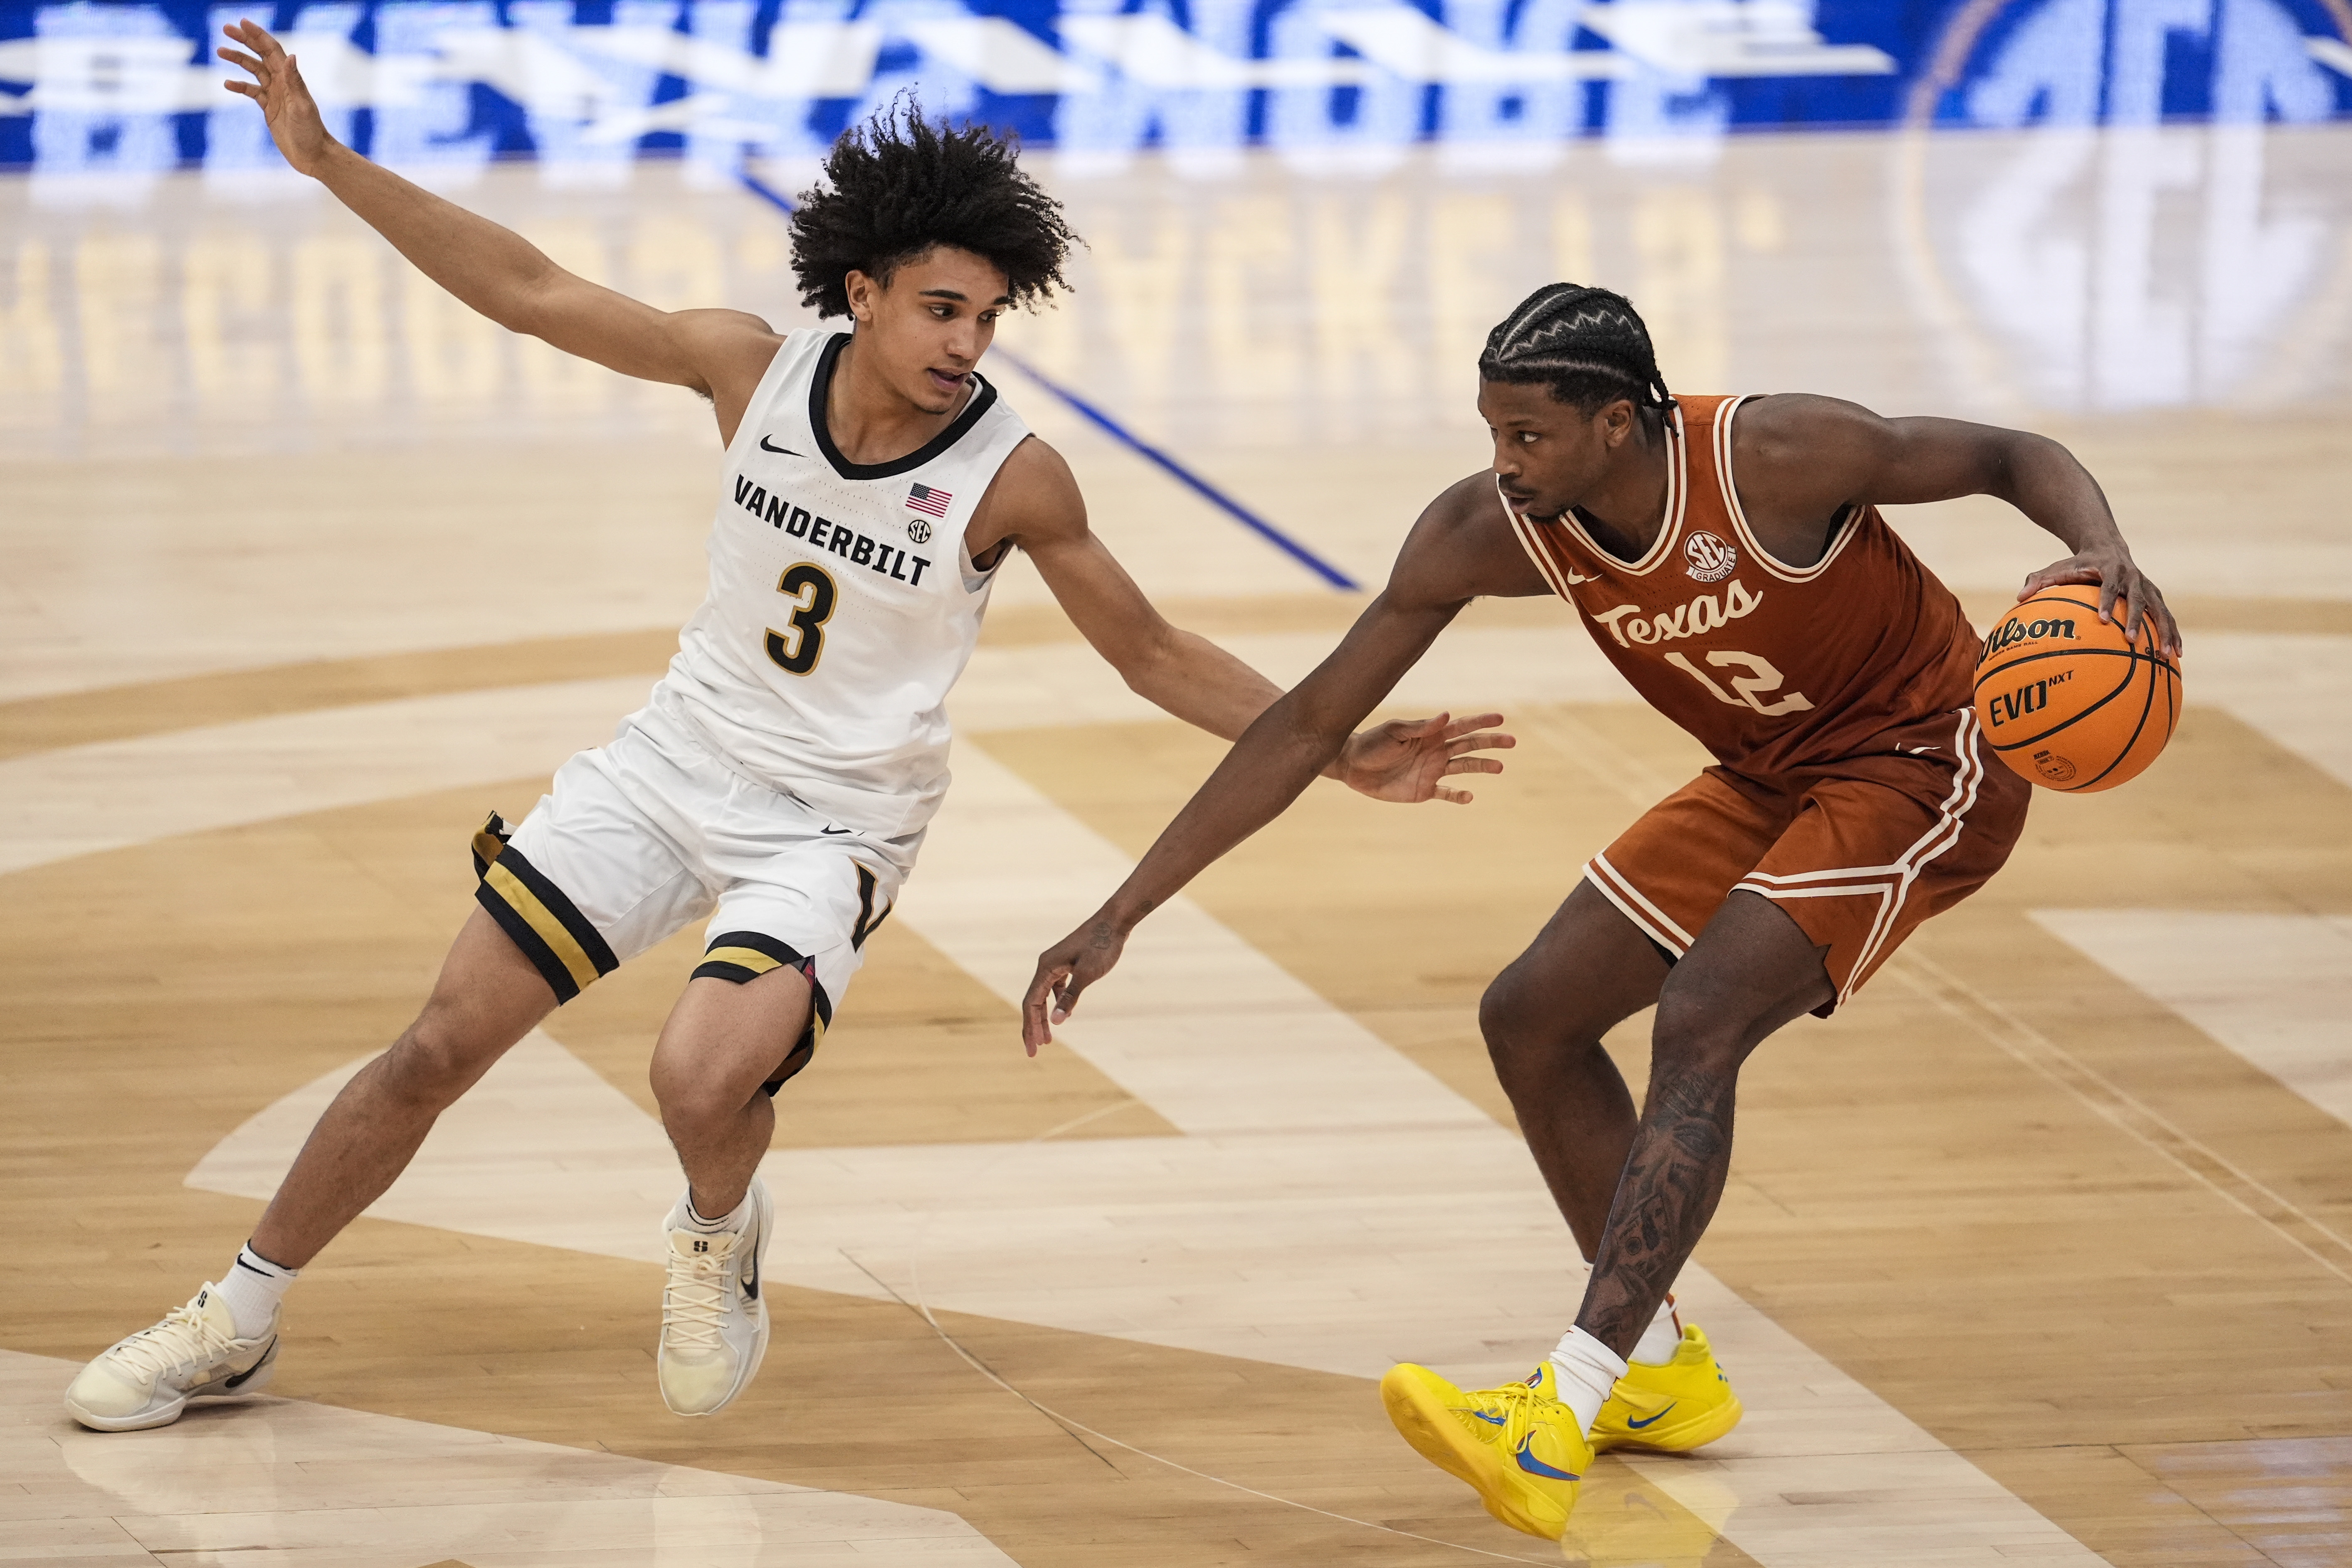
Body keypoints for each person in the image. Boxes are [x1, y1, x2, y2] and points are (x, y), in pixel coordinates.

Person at [63, 20, 1513, 1435]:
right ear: (863, 292)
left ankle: (717, 1226)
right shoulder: (747, 368)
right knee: (438, 1046)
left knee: (697, 1078)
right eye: (942, 309)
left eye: (988, 317)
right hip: (670, 762)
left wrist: (1334, 749)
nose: (969, 343)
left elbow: (1149, 652)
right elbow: (526, 289)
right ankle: (236, 1311)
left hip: (833, 822)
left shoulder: (1015, 476)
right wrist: (328, 163)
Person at [1021, 284, 2180, 1539]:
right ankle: (1658, 1368)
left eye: (1528, 435)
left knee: (1702, 1014)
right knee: (1533, 1016)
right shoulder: (1488, 530)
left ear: (1617, 423)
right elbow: (1307, 722)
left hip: (1924, 760)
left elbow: (2009, 454)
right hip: (1769, 774)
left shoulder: (1777, 455)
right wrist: (1123, 910)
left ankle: (1563, 1404)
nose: (1503, 463)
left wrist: (2102, 549)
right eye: (1491, 432)